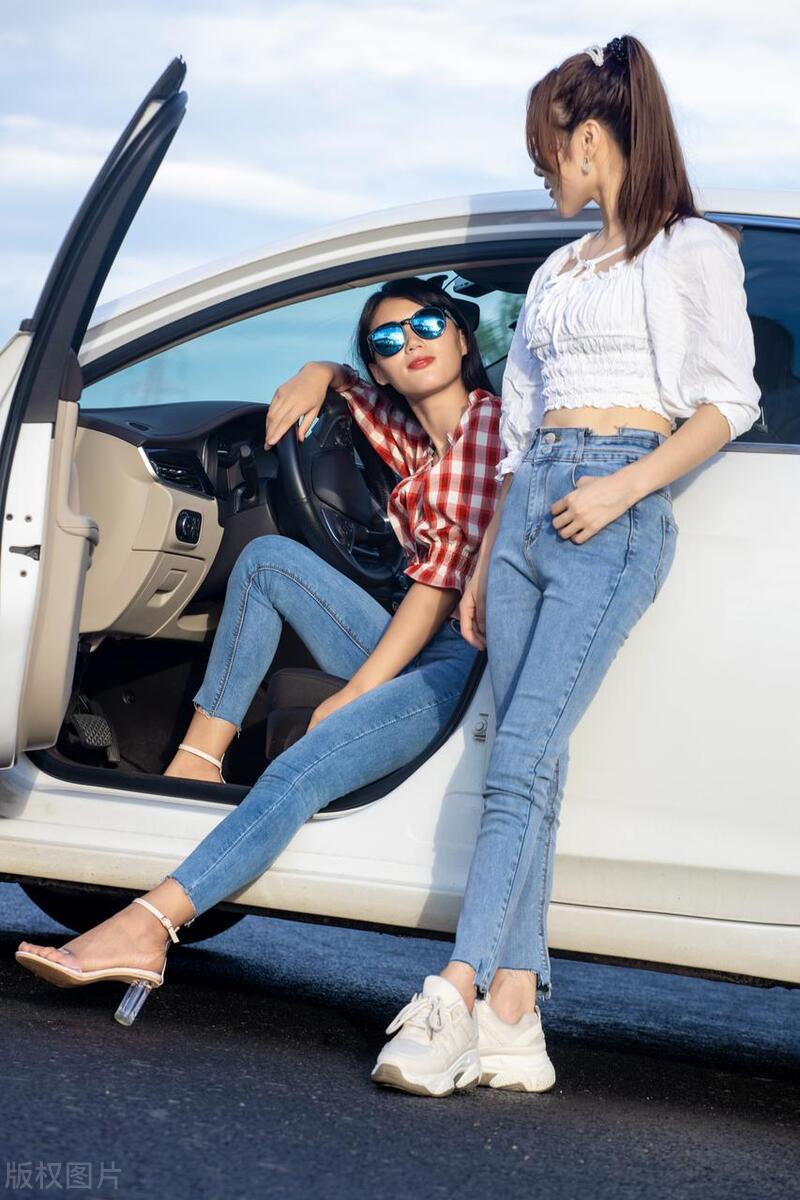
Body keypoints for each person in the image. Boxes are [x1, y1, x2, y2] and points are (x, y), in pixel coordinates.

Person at [370, 34, 761, 1097]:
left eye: (544, 148)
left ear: (589, 137)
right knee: (531, 762)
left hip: (608, 506)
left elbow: (728, 402)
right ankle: (513, 1014)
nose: (539, 169)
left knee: (518, 758)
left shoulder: (689, 251)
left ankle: (452, 995)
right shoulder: (554, 271)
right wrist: (487, 555)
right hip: (531, 506)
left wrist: (624, 488)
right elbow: (518, 429)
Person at [14, 277, 503, 1026]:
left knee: (306, 762)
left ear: (462, 337)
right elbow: (347, 386)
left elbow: (437, 587)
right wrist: (318, 372)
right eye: (388, 340)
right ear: (379, 367)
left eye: (428, 325)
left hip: (458, 666)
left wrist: (354, 693)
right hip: (417, 637)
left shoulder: (487, 427)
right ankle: (197, 760)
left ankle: (148, 929)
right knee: (269, 562)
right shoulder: (411, 434)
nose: (411, 344)